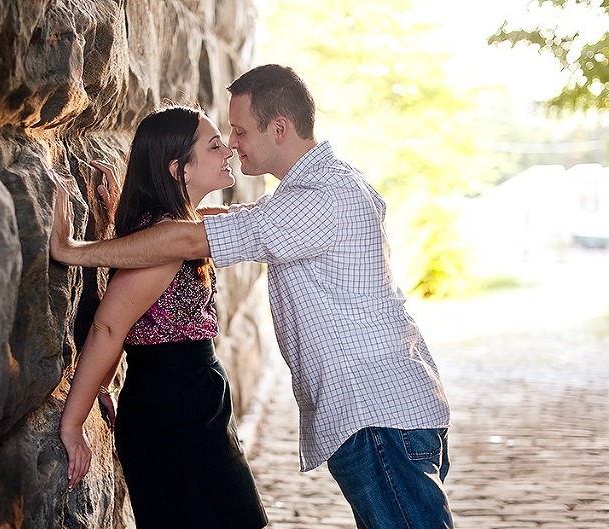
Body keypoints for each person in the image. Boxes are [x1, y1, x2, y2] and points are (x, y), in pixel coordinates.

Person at [51, 65, 454, 529]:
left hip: (377, 418)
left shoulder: (318, 197)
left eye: (238, 132)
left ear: (278, 128)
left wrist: (76, 251)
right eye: (221, 139)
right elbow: (180, 242)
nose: (233, 144)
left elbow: (191, 237)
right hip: (356, 414)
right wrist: (133, 216)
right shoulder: (312, 190)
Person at [57, 104, 269, 529]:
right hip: (172, 408)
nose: (227, 149)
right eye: (213, 145)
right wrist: (74, 422)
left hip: (193, 400)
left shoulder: (178, 230)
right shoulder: (166, 238)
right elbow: (109, 326)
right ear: (179, 170)